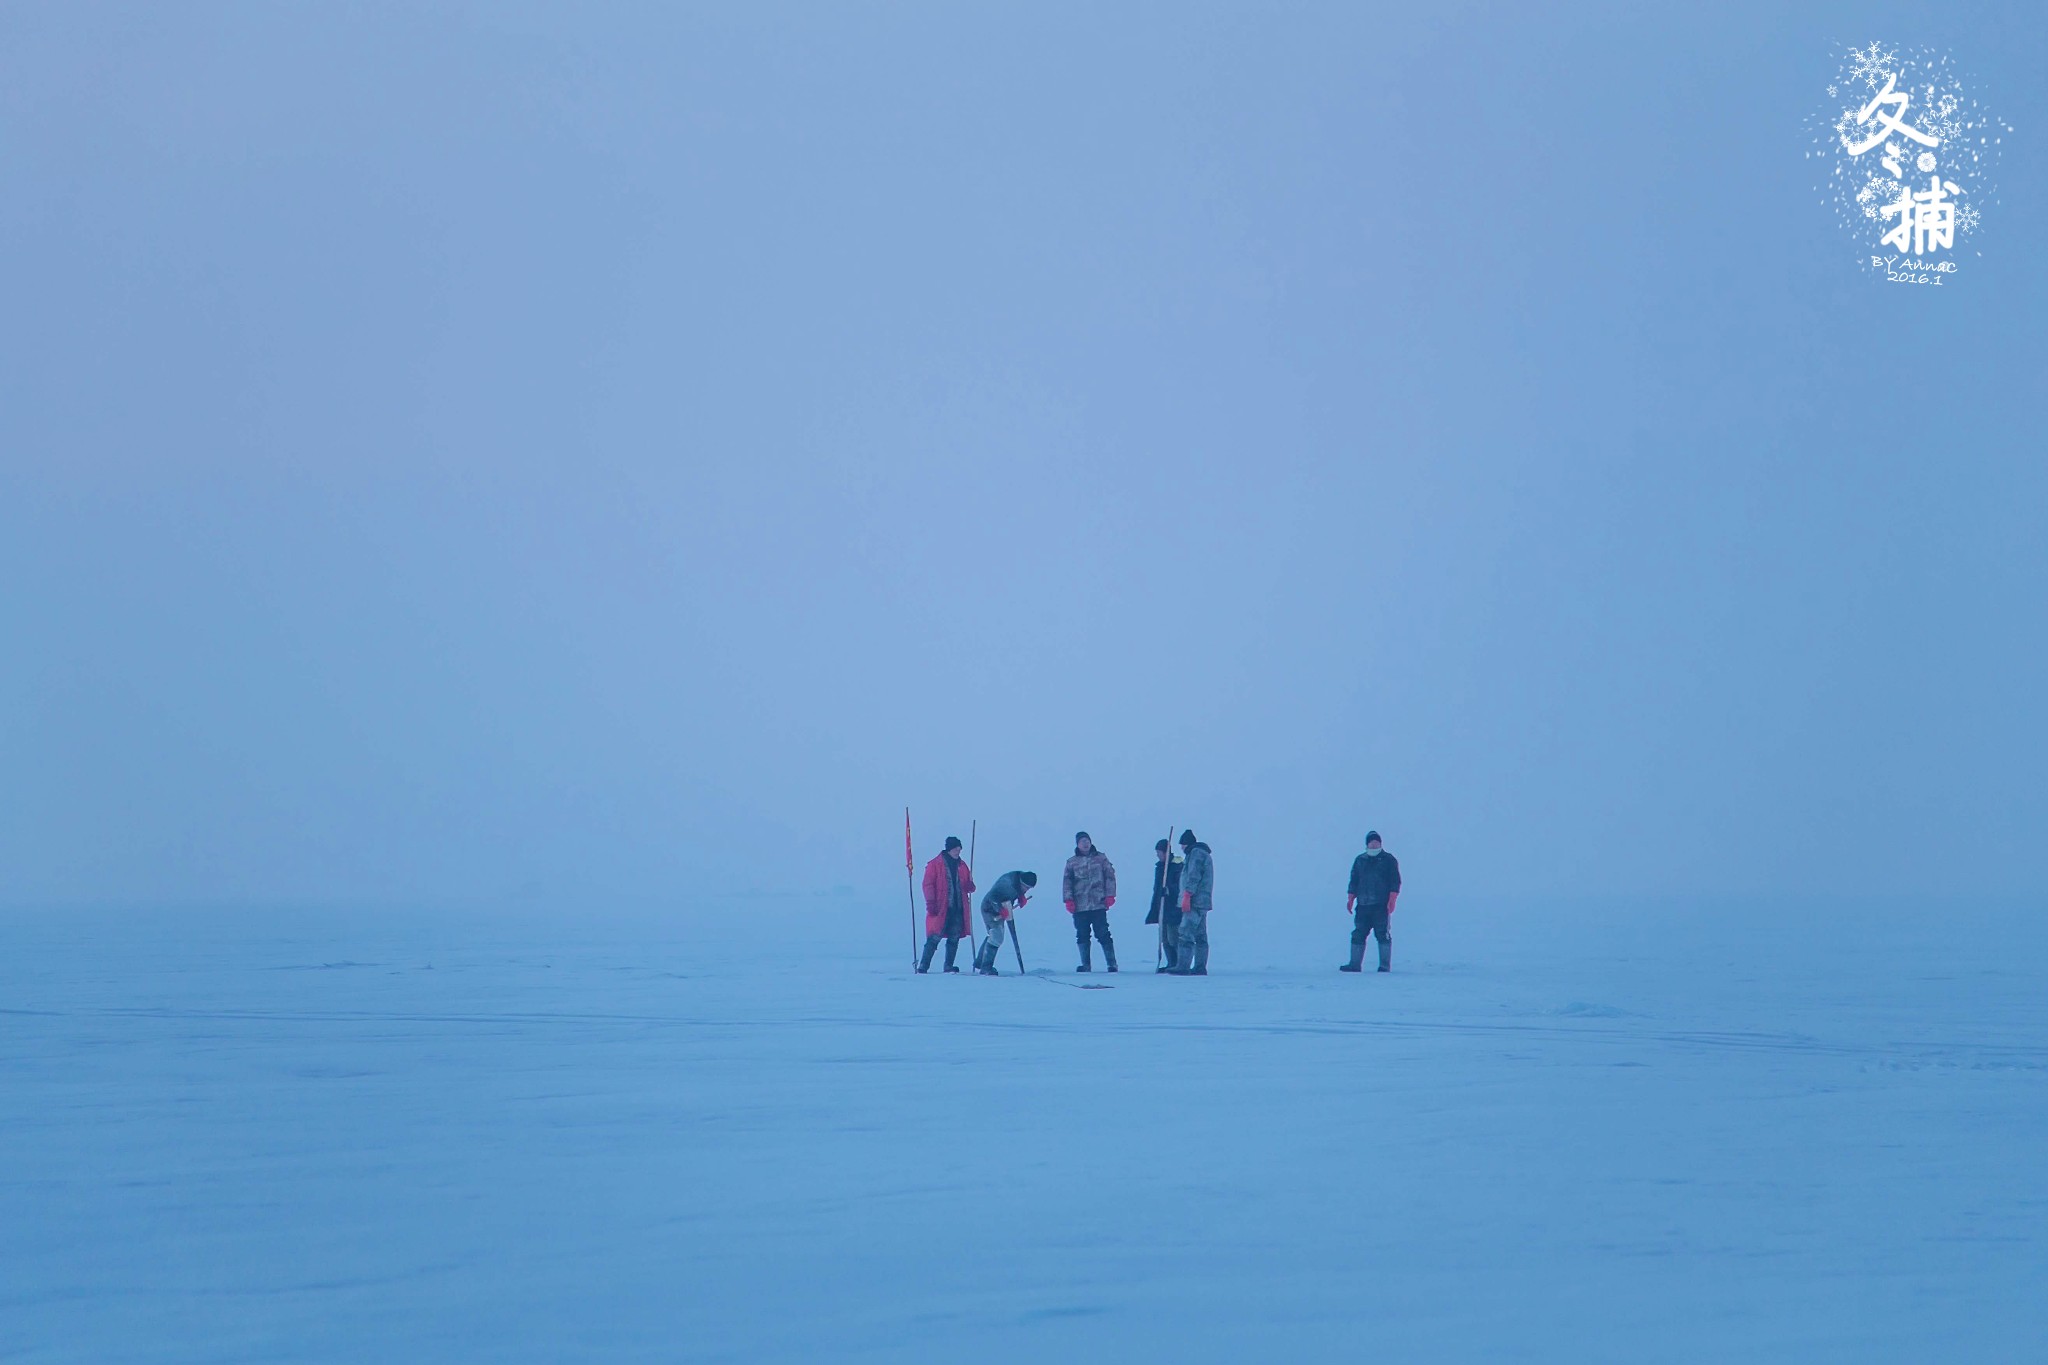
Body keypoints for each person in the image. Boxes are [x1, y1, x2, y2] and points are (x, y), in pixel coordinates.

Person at [1341, 830, 1402, 973]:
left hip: (1381, 905)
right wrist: (1351, 898)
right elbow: (1354, 880)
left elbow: (1395, 881)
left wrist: (1392, 898)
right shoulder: (1360, 860)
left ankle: (1384, 966)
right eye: (1371, 843)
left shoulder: (1389, 860)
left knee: (1383, 934)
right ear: (1367, 844)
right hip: (1363, 905)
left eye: (1377, 843)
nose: (1374, 846)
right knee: (1358, 934)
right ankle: (1354, 965)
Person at [918, 836, 976, 973]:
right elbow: (927, 884)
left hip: (958, 907)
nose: (958, 850)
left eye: (959, 848)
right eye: (956, 848)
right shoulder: (935, 864)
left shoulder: (963, 865)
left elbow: (970, 887)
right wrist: (930, 902)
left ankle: (948, 965)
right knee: (934, 937)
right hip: (940, 908)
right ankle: (923, 966)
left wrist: (970, 886)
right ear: (949, 848)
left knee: (954, 937)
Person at [1061, 831, 1118, 972]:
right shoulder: (1071, 862)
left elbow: (1110, 877)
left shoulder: (1101, 858)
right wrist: (1068, 900)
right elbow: (1067, 882)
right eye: (1082, 841)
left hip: (1099, 903)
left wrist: (1110, 895)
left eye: (1087, 840)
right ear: (1077, 844)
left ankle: (1112, 964)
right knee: (1082, 934)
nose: (1085, 843)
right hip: (1080, 906)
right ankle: (1086, 965)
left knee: (1103, 933)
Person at [972, 870, 1038, 975]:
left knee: (994, 936)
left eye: (1029, 888)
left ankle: (980, 962)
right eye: (1026, 887)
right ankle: (986, 967)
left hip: (1005, 907)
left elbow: (1015, 892)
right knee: (996, 936)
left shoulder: (1018, 879)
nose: (1027, 890)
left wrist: (1021, 896)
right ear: (1021, 882)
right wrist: (1000, 909)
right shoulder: (1006, 884)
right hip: (990, 909)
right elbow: (992, 897)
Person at [1169, 829, 1213, 975]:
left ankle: (1183, 966)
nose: (1181, 848)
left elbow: (1193, 876)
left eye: (1182, 845)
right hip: (1202, 902)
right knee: (1200, 935)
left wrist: (1187, 895)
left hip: (1194, 901)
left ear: (1187, 844)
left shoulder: (1196, 854)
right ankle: (1200, 967)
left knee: (1186, 933)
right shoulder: (1203, 854)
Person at [1145, 838, 1185, 972]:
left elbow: (1180, 886)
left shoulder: (1176, 866)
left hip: (1173, 908)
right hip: (1162, 908)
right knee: (1164, 939)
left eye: (1159, 852)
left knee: (1173, 937)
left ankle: (1180, 963)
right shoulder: (1159, 867)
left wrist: (1169, 889)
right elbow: (1156, 890)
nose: (1158, 855)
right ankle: (1171, 963)